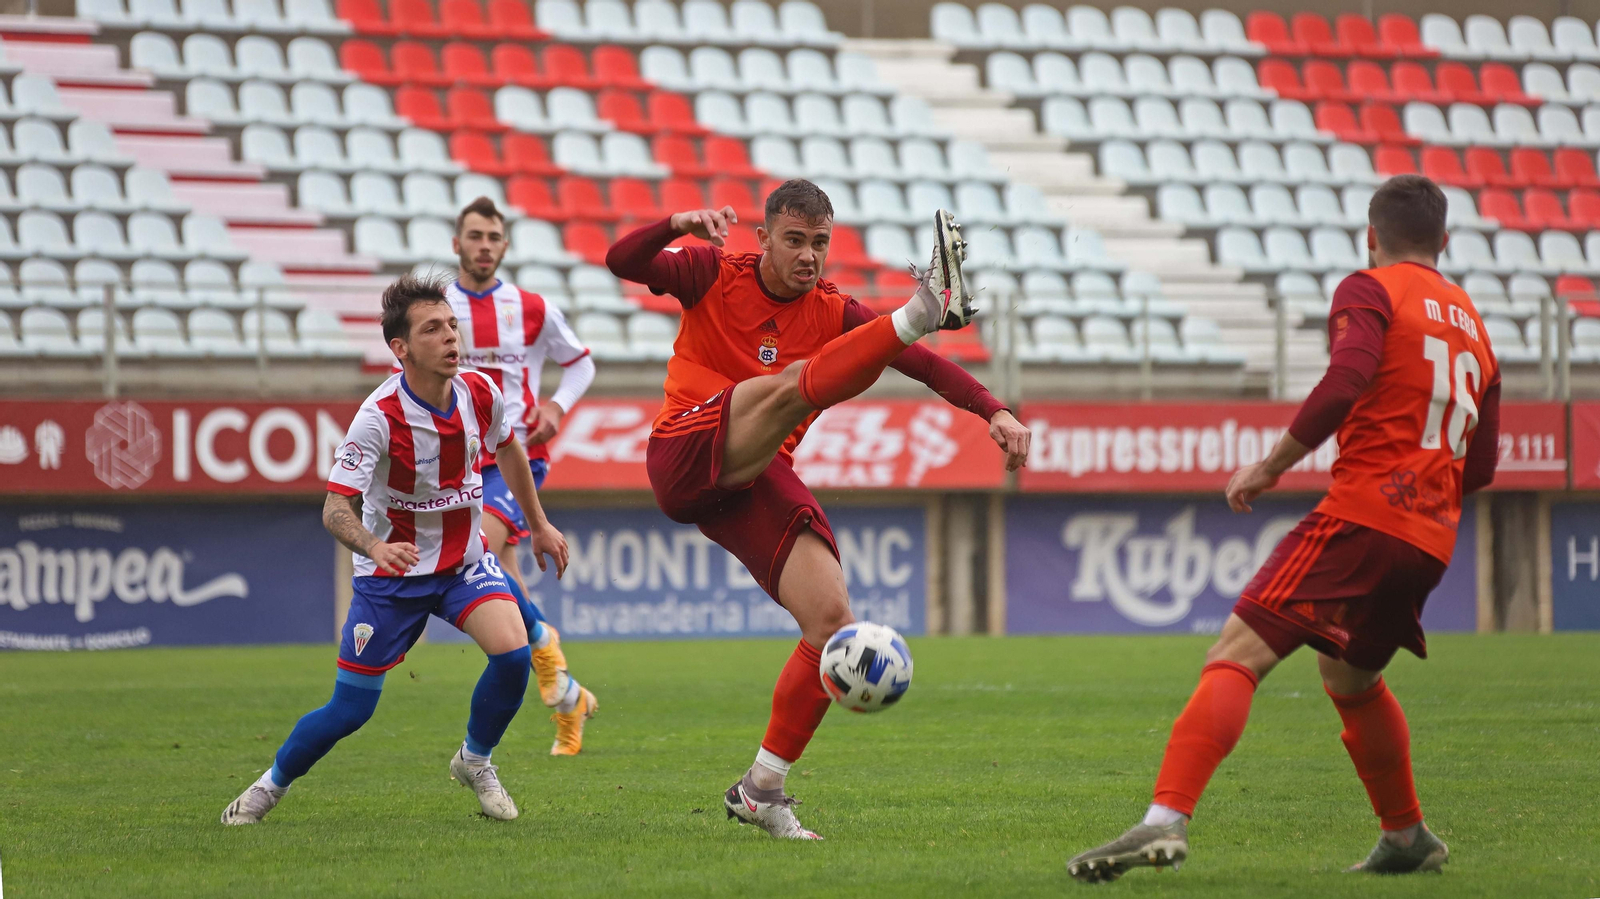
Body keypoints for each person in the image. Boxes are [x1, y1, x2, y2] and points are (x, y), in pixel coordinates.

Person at [1066, 174, 1501, 881]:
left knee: (1235, 652)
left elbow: (1345, 377)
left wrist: (1272, 465)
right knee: (1351, 676)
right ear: (1445, 242)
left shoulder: (1370, 287)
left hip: (1363, 514)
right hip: (1430, 538)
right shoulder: (1478, 328)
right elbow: (1479, 464)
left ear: (1371, 235)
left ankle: (1164, 819)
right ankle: (1406, 833)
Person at [606, 179, 1032, 839]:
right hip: (684, 452)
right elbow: (622, 263)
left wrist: (993, 408)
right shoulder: (714, 270)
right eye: (795, 240)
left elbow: (918, 366)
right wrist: (675, 222)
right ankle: (921, 305)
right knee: (782, 391)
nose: (809, 255)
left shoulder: (832, 309)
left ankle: (762, 786)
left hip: (749, 478)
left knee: (832, 620)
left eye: (820, 243)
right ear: (764, 238)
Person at [221, 274, 571, 825]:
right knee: (351, 709)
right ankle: (269, 787)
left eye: (452, 325)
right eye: (433, 329)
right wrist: (375, 546)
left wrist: (541, 524)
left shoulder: (481, 392)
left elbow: (510, 453)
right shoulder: (378, 418)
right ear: (400, 348)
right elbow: (335, 507)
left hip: (462, 563)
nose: (451, 338)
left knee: (512, 655)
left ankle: (475, 761)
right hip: (392, 577)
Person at [448, 197, 599, 755]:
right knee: (502, 574)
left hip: (514, 460)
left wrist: (557, 408)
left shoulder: (530, 306)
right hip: (456, 460)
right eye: (474, 235)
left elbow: (580, 361)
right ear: (456, 244)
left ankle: (545, 651)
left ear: (505, 246)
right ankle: (568, 701)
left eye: (493, 236)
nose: (484, 245)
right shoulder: (436, 308)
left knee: (478, 548)